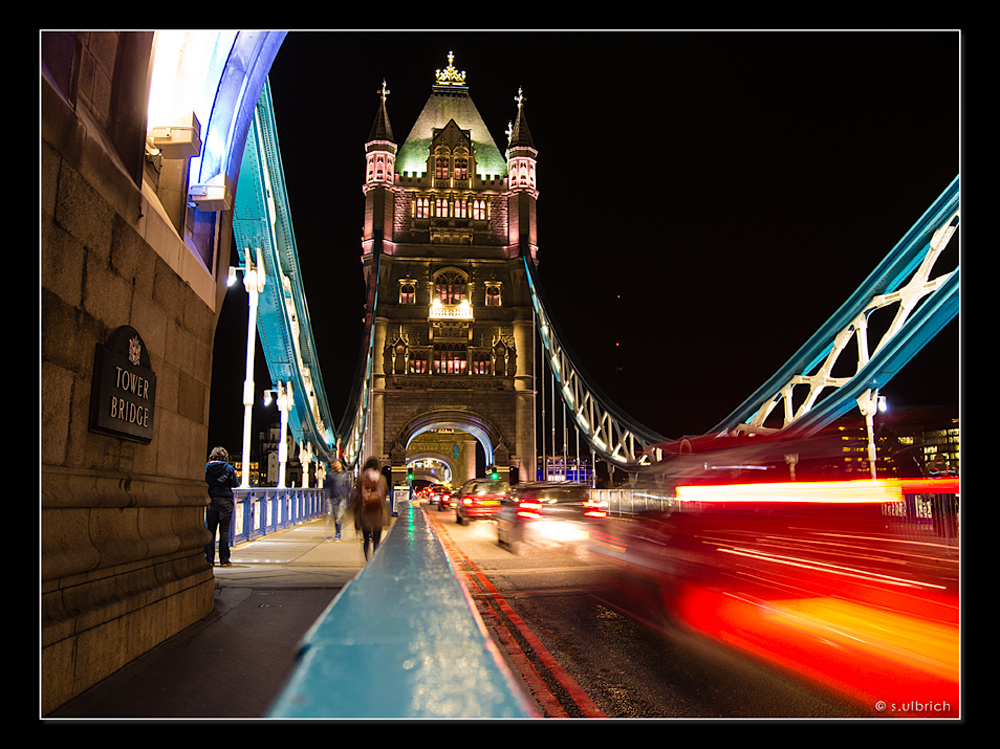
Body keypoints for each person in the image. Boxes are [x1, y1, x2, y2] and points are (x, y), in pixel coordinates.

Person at [205, 446, 240, 567]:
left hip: (212, 500)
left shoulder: (207, 468)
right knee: (224, 531)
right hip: (225, 501)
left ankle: (209, 559)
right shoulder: (229, 468)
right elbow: (235, 484)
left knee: (210, 530)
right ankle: (224, 559)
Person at [352, 457, 389, 561]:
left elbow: (356, 497)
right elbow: (385, 494)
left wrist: (356, 513)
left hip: (365, 514)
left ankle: (367, 560)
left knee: (366, 540)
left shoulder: (361, 478)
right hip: (378, 514)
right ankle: (375, 560)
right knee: (376, 540)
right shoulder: (381, 479)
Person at [326, 459, 352, 542]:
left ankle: (338, 534)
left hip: (342, 498)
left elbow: (347, 487)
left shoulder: (345, 475)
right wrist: (327, 496)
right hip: (333, 497)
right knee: (334, 516)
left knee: (339, 516)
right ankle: (336, 532)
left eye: (338, 463)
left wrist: (347, 497)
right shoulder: (330, 475)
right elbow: (327, 487)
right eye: (335, 464)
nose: (336, 465)